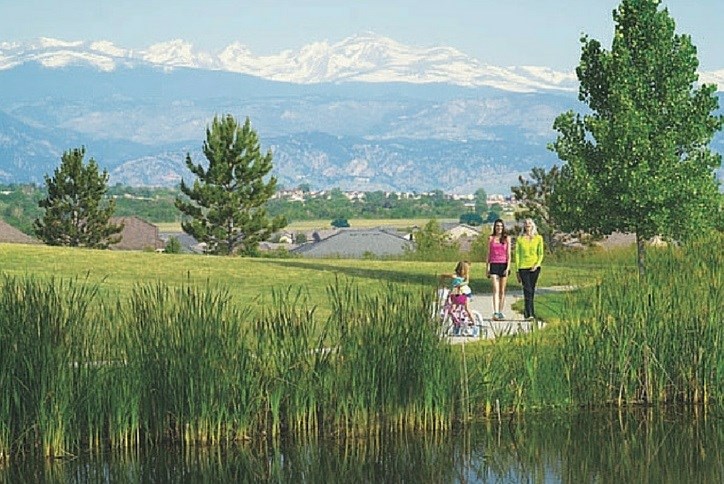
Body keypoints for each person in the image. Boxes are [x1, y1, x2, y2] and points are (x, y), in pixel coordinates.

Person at [515, 218, 544, 320]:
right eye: (526, 223)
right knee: (527, 289)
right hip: (523, 267)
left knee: (532, 290)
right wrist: (517, 269)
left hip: (534, 267)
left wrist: (537, 264)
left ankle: (530, 312)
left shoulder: (538, 238)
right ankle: (529, 313)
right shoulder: (520, 239)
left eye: (529, 223)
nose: (527, 225)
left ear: (533, 225)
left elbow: (540, 253)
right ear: (524, 226)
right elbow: (517, 254)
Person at [486, 219, 511, 320]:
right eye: (497, 226)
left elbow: (509, 254)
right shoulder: (491, 238)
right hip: (494, 264)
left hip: (503, 264)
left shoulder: (507, 238)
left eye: (501, 226)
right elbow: (488, 254)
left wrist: (508, 267)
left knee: (502, 290)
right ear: (494, 227)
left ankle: (500, 311)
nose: (499, 228)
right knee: (495, 289)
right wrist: (487, 267)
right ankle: (495, 311)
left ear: (503, 227)